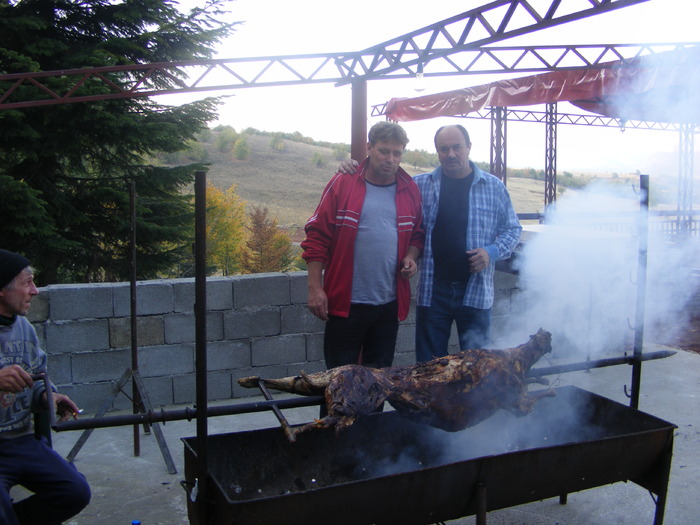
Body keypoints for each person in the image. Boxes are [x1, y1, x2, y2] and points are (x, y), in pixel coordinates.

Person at [339, 124, 521, 362]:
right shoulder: (419, 185)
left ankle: (473, 402)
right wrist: (351, 168)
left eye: (457, 147)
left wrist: (491, 252)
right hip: (434, 292)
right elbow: (381, 176)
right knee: (429, 368)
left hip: (476, 290)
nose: (451, 154)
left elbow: (512, 229)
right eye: (443, 149)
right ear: (437, 151)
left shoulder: (493, 187)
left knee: (479, 367)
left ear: (468, 147)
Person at [301, 121, 424, 371]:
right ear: (369, 148)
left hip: (388, 307)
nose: (390, 159)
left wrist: (411, 257)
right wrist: (315, 288)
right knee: (339, 382)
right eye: (383, 151)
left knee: (377, 381)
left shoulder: (409, 189)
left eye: (397, 153)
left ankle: (372, 413)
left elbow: (417, 234)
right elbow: (317, 236)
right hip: (346, 305)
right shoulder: (344, 183)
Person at [0, 249, 91, 525]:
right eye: (26, 282)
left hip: (21, 440)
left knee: (75, 492)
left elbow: (36, 377)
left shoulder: (25, 328)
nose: (35, 291)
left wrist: (49, 396)